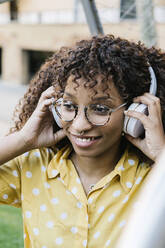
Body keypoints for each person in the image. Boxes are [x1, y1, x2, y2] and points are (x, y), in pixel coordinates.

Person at [0, 34, 165, 248]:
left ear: (135, 112)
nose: (80, 125)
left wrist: (161, 154)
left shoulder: (152, 180)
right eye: (68, 106)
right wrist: (24, 139)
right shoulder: (34, 167)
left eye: (100, 109)